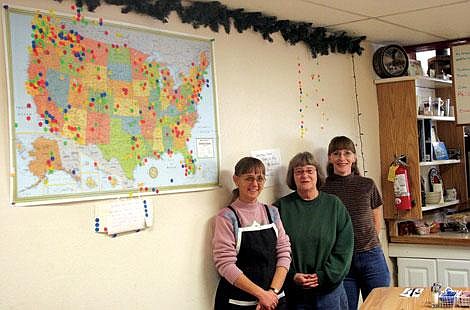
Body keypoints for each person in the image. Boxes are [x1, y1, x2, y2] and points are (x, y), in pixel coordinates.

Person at [274, 152, 353, 310]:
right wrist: (292, 275)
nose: (305, 175)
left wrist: (323, 276)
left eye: (309, 170)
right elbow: (273, 250)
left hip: (329, 291)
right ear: (292, 177)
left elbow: (344, 248)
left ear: (318, 174)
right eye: (299, 171)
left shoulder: (334, 205)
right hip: (295, 293)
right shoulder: (280, 208)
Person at [213, 157, 292, 310]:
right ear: (236, 180)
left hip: (274, 300)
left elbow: (284, 253)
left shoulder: (272, 212)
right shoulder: (227, 217)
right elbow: (225, 264)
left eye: (260, 179)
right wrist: (261, 295)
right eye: (249, 178)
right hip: (239, 301)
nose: (255, 184)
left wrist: (272, 293)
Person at [321, 136, 390, 310]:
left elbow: (376, 219)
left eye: (347, 153)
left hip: (371, 256)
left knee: (379, 305)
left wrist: (370, 243)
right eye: (336, 153)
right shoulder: (323, 188)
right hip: (340, 260)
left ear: (354, 157)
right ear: (330, 158)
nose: (342, 158)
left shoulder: (367, 184)